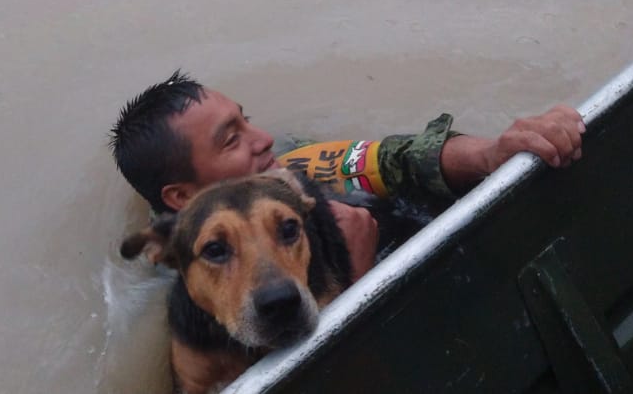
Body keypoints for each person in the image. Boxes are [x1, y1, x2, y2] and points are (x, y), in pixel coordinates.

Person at [110, 71, 585, 279]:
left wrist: (493, 153)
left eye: (246, 119)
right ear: (181, 196)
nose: (264, 140)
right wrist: (355, 281)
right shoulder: (200, 282)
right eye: (231, 139)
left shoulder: (287, 168)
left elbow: (399, 158)